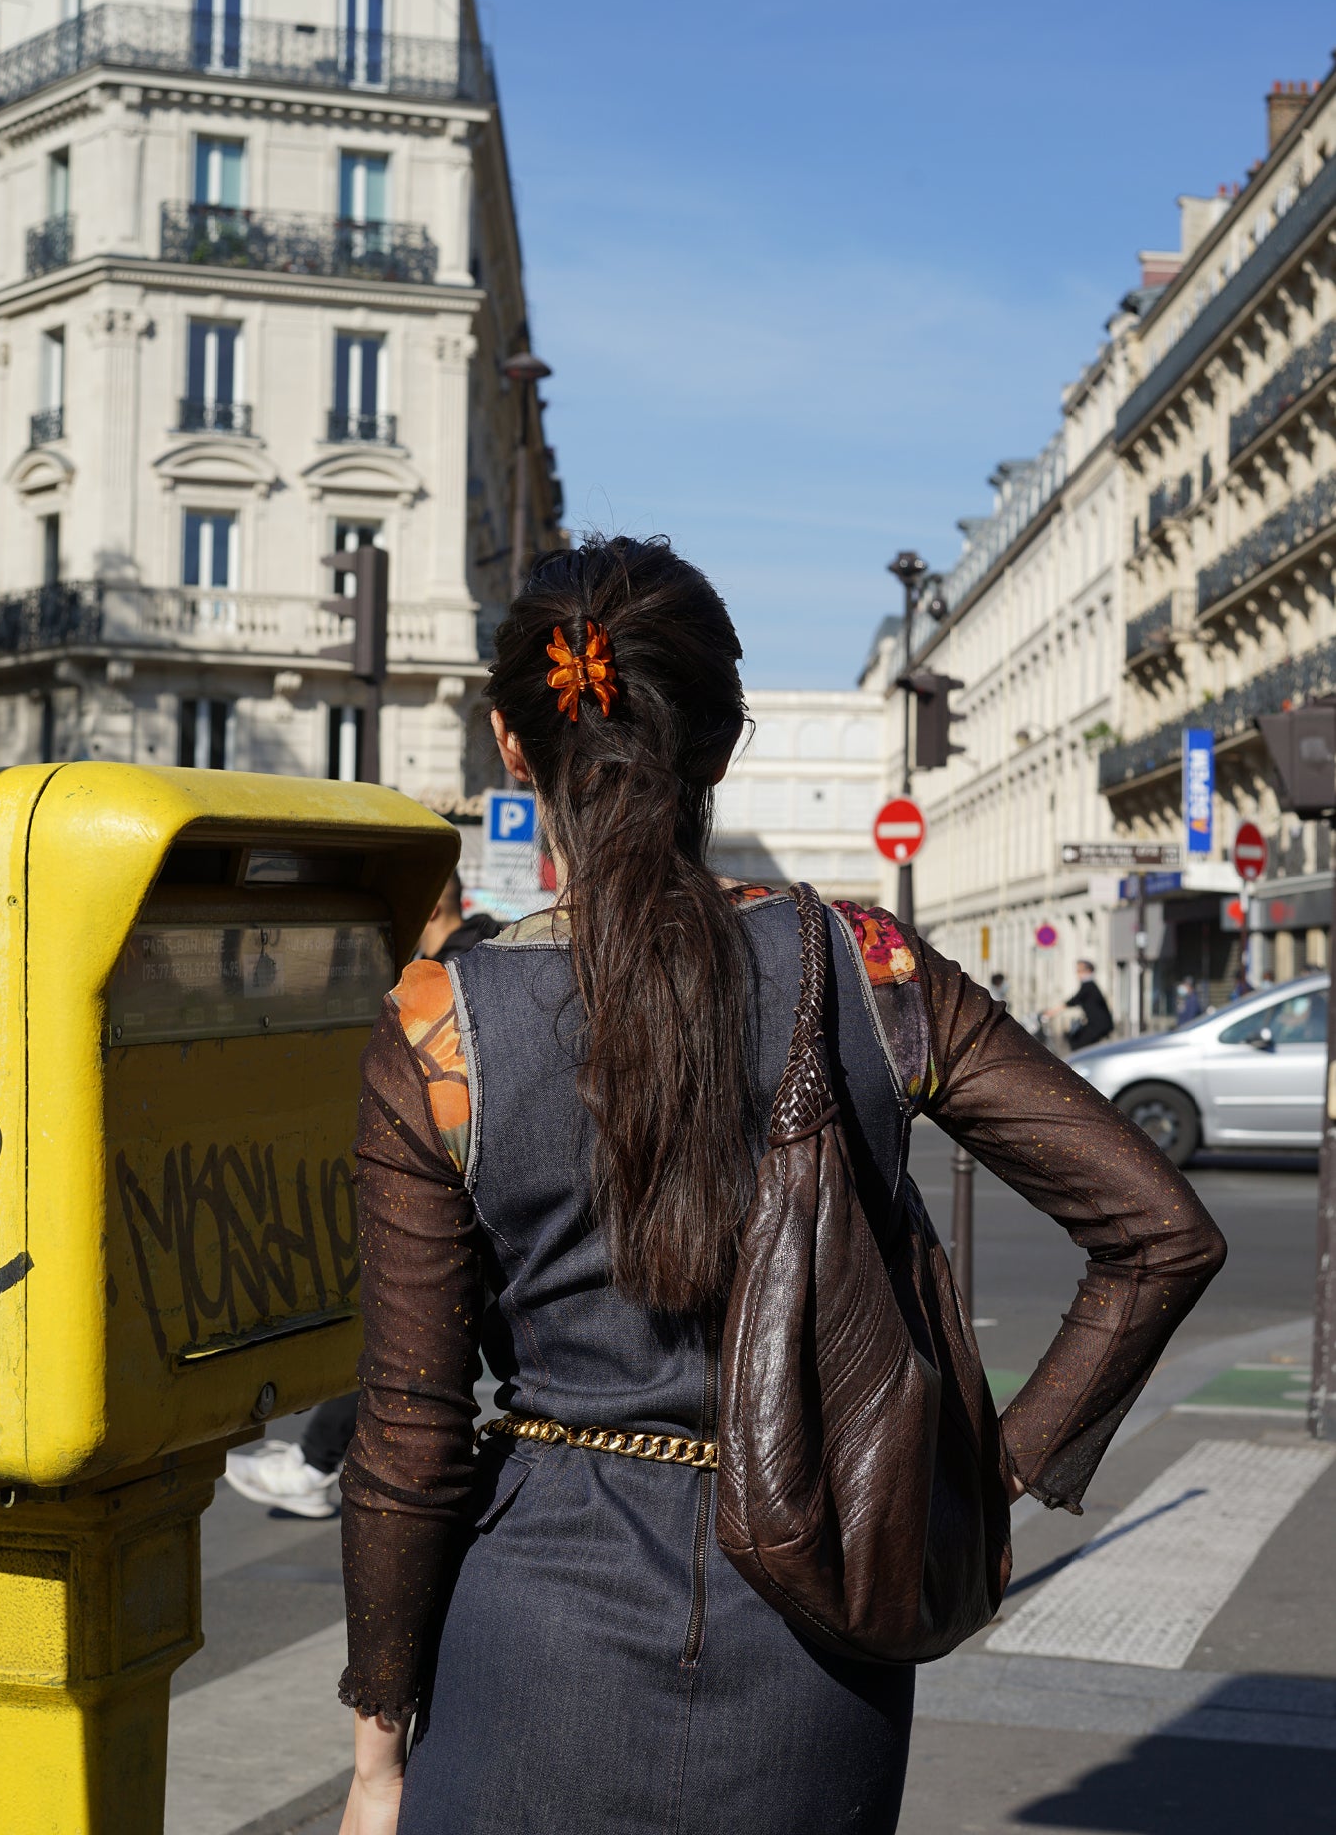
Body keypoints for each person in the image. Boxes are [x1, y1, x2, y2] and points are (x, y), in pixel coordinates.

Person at [335, 536, 1225, 1835]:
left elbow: (409, 1438)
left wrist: (376, 1751)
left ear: (509, 749)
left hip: (536, 1642)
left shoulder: (440, 1028)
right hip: (822, 1624)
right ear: (725, 743)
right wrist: (988, 1468)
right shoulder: (866, 966)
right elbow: (1160, 1235)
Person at [224, 873, 502, 1519]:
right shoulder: (487, 961)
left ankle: (320, 1466)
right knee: (420, 1345)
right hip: (484, 1197)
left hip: (453, 1192)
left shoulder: (447, 981)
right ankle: (324, 1463)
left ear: (431, 906)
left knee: (407, 1340)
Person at [1042, 957, 1113, 1052]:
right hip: (1097, 1024)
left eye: (1080, 970)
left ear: (1088, 971)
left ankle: (1081, 1064)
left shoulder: (1089, 985)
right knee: (1079, 1040)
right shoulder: (1089, 985)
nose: (1077, 973)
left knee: (1077, 1042)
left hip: (1099, 1025)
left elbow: (1073, 1000)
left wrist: (1051, 1012)